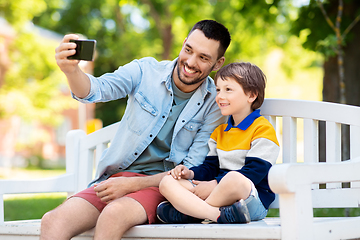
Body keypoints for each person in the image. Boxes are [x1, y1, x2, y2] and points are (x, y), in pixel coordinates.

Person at [40, 20, 231, 240]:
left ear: (218, 63)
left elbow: (191, 169)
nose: (190, 61)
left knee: (113, 214)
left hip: (165, 187)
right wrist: (71, 71)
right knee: (53, 221)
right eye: (188, 50)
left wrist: (133, 184)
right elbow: (97, 90)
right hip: (114, 179)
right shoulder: (144, 71)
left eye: (203, 57)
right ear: (184, 42)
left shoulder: (214, 104)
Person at [156, 62, 280, 224]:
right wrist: (190, 173)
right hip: (220, 198)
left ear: (251, 95)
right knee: (168, 181)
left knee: (234, 178)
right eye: (218, 89)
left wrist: (215, 184)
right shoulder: (219, 132)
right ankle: (215, 215)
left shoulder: (262, 129)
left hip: (249, 201)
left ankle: (191, 212)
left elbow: (254, 172)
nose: (220, 96)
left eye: (228, 89)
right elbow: (210, 168)